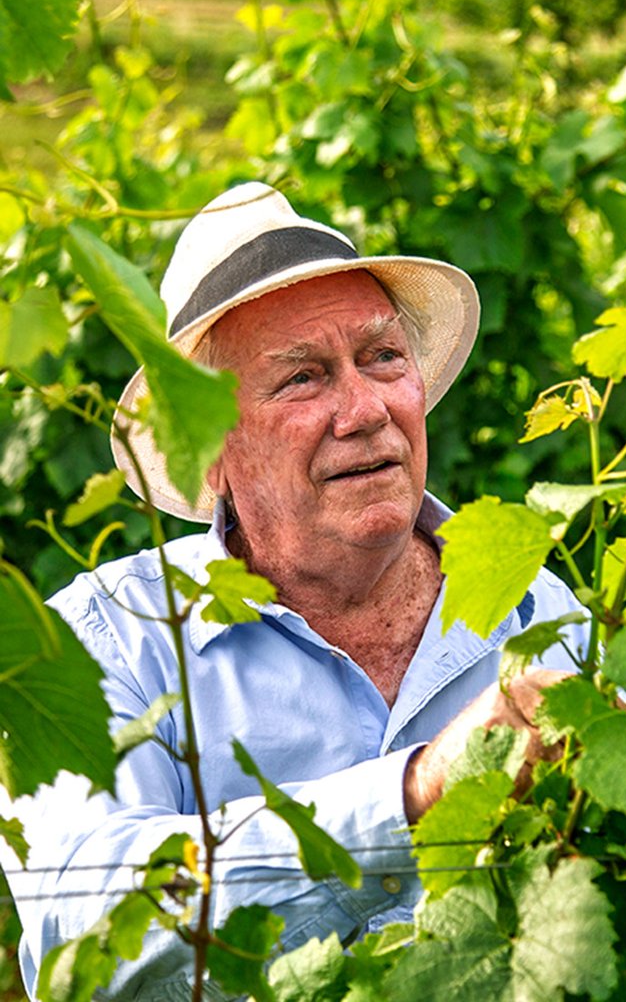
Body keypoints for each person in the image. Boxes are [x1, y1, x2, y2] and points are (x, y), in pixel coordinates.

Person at [2, 182, 586, 1001]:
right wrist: (410, 795)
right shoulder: (102, 643)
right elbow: (84, 939)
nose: (364, 409)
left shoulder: (535, 609)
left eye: (382, 358)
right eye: (303, 378)